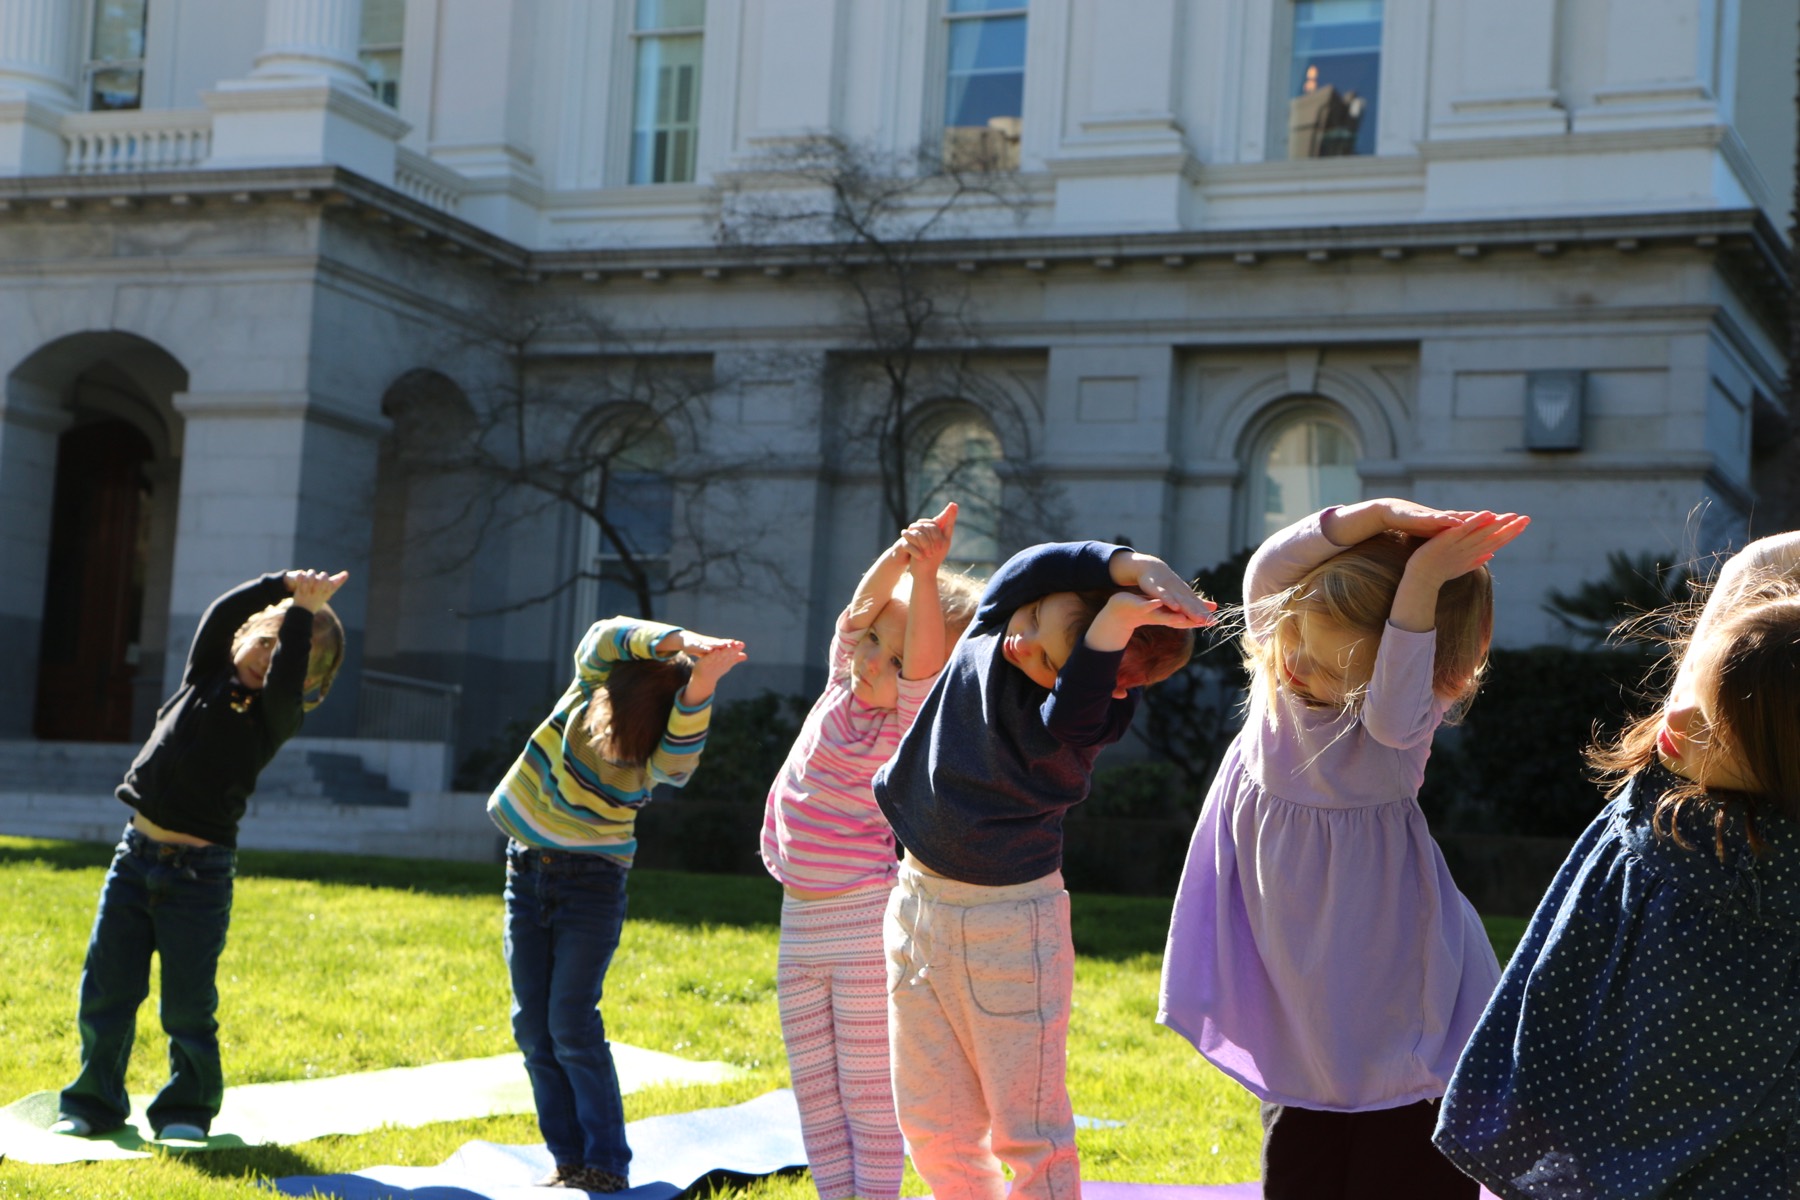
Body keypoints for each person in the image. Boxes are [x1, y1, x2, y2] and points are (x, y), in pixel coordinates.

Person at [1158, 501, 1529, 1200]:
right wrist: (1373, 517)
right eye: (1293, 638)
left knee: (1398, 1115)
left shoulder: (1393, 731)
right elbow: (1269, 572)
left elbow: (1391, 699)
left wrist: (1422, 582)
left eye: (1327, 664)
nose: (1293, 663)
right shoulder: (1277, 694)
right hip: (1298, 971)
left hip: (1378, 961)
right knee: (1304, 1115)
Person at [1434, 529, 1800, 1199]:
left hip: (1607, 1143)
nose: (1679, 713)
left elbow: (1760, 564)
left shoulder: (1665, 820)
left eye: (1712, 716)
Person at [873, 538, 1212, 1200]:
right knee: (932, 1123)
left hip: (1006, 930)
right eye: (1030, 620)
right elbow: (1037, 568)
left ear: (1103, 676)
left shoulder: (1081, 723)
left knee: (1028, 1134)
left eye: (1048, 654)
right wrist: (1133, 569)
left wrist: (1115, 623)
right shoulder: (993, 625)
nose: (1020, 642)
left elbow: (1080, 696)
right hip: (914, 905)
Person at [51, 569, 349, 1142]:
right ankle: (93, 1103)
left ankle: (185, 1110)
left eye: (287, 654)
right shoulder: (203, 674)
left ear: (305, 677)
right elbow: (220, 612)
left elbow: (282, 681)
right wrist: (282, 585)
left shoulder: (275, 718)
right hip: (134, 860)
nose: (270, 658)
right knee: (107, 988)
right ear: (242, 639)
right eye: (265, 641)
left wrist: (303, 615)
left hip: (198, 880)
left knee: (187, 1006)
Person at [762, 503, 982, 1200]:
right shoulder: (839, 680)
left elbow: (915, 658)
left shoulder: (906, 724)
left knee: (866, 1092)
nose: (871, 661)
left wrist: (928, 582)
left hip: (859, 924)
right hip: (798, 924)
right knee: (814, 1094)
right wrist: (903, 557)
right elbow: (863, 607)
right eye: (869, 643)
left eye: (893, 656)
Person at [489, 615, 747, 1193]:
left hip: (592, 884)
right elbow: (606, 632)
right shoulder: (586, 686)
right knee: (533, 1028)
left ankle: (606, 1163)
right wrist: (686, 642)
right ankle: (567, 1158)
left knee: (571, 1025)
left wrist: (702, 680)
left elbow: (680, 760)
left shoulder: (657, 753)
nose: (609, 733)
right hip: (526, 872)